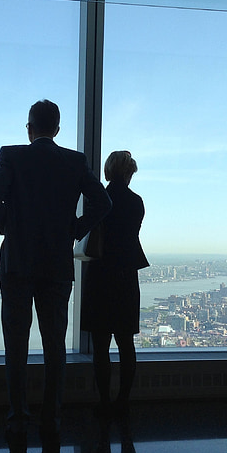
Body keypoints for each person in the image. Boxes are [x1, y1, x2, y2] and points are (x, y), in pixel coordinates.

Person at [0, 99, 111, 445]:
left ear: (29, 129)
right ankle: (52, 418)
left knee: (16, 344)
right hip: (56, 264)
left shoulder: (11, 156)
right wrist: (74, 229)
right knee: (55, 345)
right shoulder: (74, 161)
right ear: (56, 129)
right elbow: (103, 202)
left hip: (17, 262)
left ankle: (17, 419)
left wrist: (8, 227)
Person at [81, 151, 149, 418]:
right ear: (129, 173)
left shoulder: (99, 199)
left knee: (101, 344)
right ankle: (123, 400)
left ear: (108, 171)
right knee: (125, 342)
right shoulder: (136, 202)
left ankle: (104, 401)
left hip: (100, 274)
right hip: (126, 274)